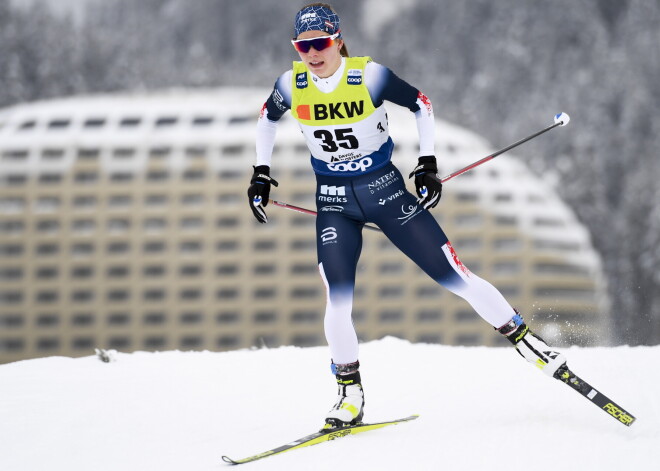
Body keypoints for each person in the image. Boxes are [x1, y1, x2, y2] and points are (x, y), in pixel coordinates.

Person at [248, 3, 568, 430]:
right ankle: (349, 395)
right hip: (334, 202)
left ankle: (526, 341)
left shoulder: (369, 75)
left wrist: (428, 163)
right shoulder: (292, 84)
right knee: (338, 298)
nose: (312, 52)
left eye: (320, 43)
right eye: (302, 45)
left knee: (453, 275)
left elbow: (421, 104)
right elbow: (267, 120)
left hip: (385, 192)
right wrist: (261, 173)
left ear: (338, 39)